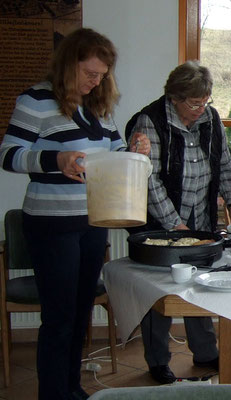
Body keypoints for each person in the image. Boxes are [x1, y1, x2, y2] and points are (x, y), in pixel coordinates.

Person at [0, 28, 150, 400]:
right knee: (59, 318)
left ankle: (72, 389)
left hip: (92, 222)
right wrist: (56, 159)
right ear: (69, 65)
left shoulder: (98, 106)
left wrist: (134, 148)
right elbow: (8, 154)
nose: (95, 81)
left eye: (101, 75)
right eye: (89, 74)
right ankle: (53, 394)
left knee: (80, 315)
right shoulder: (36, 100)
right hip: (51, 225)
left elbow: (115, 153)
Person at [125, 60, 231, 384]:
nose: (200, 108)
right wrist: (173, 226)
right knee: (159, 292)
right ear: (174, 97)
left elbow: (224, 161)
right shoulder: (150, 121)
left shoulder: (210, 118)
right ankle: (158, 360)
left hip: (200, 218)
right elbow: (148, 181)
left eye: (205, 101)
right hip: (160, 223)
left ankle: (205, 351)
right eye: (194, 103)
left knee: (201, 283)